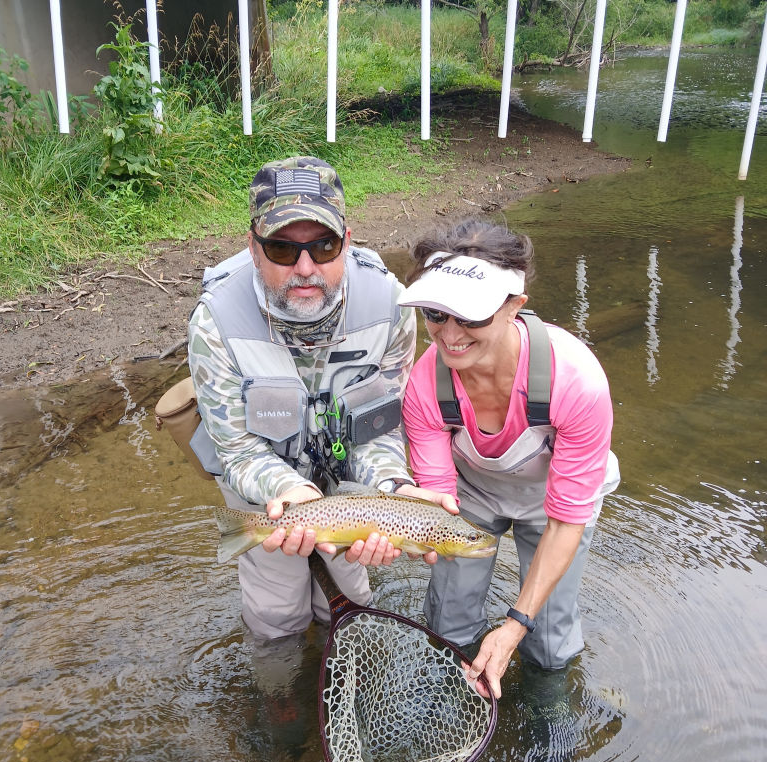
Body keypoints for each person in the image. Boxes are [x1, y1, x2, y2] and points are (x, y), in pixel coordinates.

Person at [187, 156, 451, 641]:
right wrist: (288, 494)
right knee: (277, 618)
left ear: (347, 242)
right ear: (253, 247)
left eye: (323, 246)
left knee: (353, 608)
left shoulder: (392, 308)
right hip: (260, 485)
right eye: (283, 250)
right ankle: (280, 704)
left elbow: (381, 428)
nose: (305, 268)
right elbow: (238, 449)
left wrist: (394, 490)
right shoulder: (215, 324)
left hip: (349, 484)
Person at [397, 217, 620, 699]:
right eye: (436, 314)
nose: (449, 334)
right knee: (449, 615)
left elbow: (566, 521)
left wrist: (515, 624)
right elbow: (440, 505)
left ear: (514, 306)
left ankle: (549, 709)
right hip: (471, 494)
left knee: (548, 631)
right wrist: (404, 534)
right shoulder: (424, 385)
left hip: (554, 503)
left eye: (471, 316)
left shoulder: (576, 381)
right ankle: (446, 695)